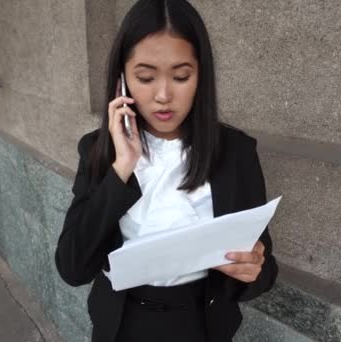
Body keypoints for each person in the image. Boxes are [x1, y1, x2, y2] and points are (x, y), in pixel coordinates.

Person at [55, 0, 278, 341]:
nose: (163, 95)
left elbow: (263, 268)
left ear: (200, 75)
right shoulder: (99, 150)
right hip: (121, 324)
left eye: (180, 76)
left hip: (201, 324)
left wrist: (253, 269)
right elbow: (73, 267)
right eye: (145, 77)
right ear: (122, 81)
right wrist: (122, 167)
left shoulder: (235, 152)